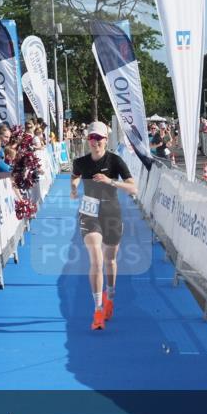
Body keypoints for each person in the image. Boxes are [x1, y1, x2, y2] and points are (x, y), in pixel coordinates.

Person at [70, 122, 136, 331]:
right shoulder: (80, 162)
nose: (95, 142)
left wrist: (110, 182)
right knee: (96, 259)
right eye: (92, 138)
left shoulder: (115, 161)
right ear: (88, 140)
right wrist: (73, 187)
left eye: (99, 139)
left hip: (111, 214)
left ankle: (110, 297)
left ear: (106, 140)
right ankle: (97, 309)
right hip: (89, 214)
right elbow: (75, 176)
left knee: (110, 260)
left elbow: (133, 188)